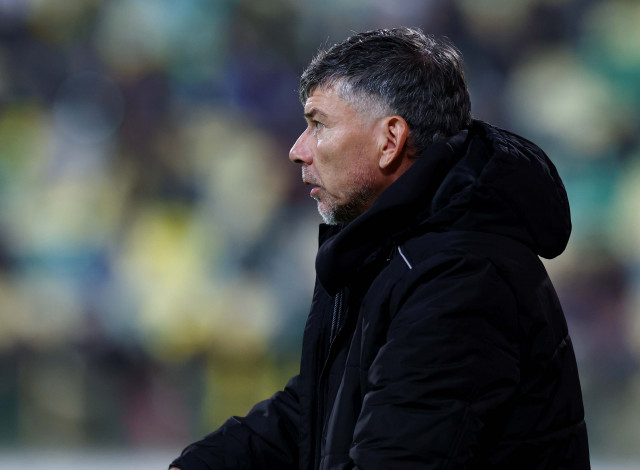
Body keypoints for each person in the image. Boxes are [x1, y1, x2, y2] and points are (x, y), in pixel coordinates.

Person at [169, 27, 590, 469]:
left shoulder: (462, 275)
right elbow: (320, 414)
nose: (297, 150)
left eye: (318, 124)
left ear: (389, 141)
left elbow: (396, 458)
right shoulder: (390, 248)